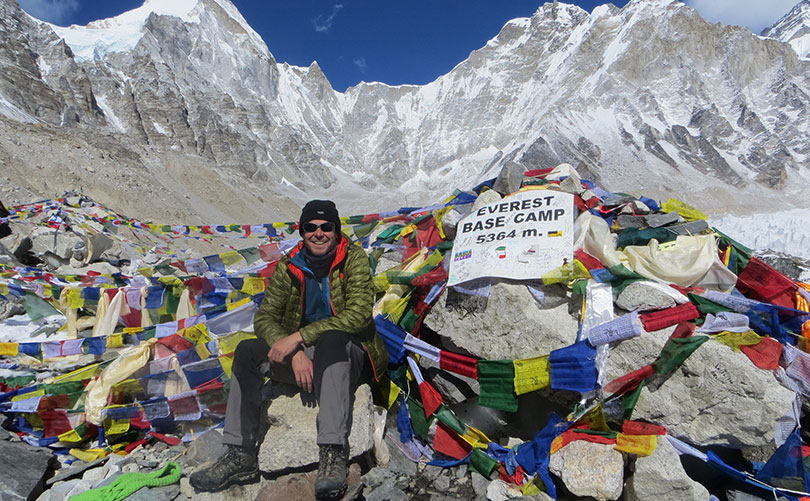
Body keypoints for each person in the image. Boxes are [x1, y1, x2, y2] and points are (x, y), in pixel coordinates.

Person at [190, 200, 387, 499]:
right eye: (311, 227)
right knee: (246, 352)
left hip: (348, 354)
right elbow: (265, 318)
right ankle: (240, 453)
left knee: (333, 339)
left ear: (336, 232)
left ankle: (332, 452)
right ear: (302, 231)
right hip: (306, 356)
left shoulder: (354, 259)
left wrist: (297, 337)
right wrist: (295, 352)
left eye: (326, 227)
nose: (318, 233)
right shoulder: (289, 265)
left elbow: (358, 315)